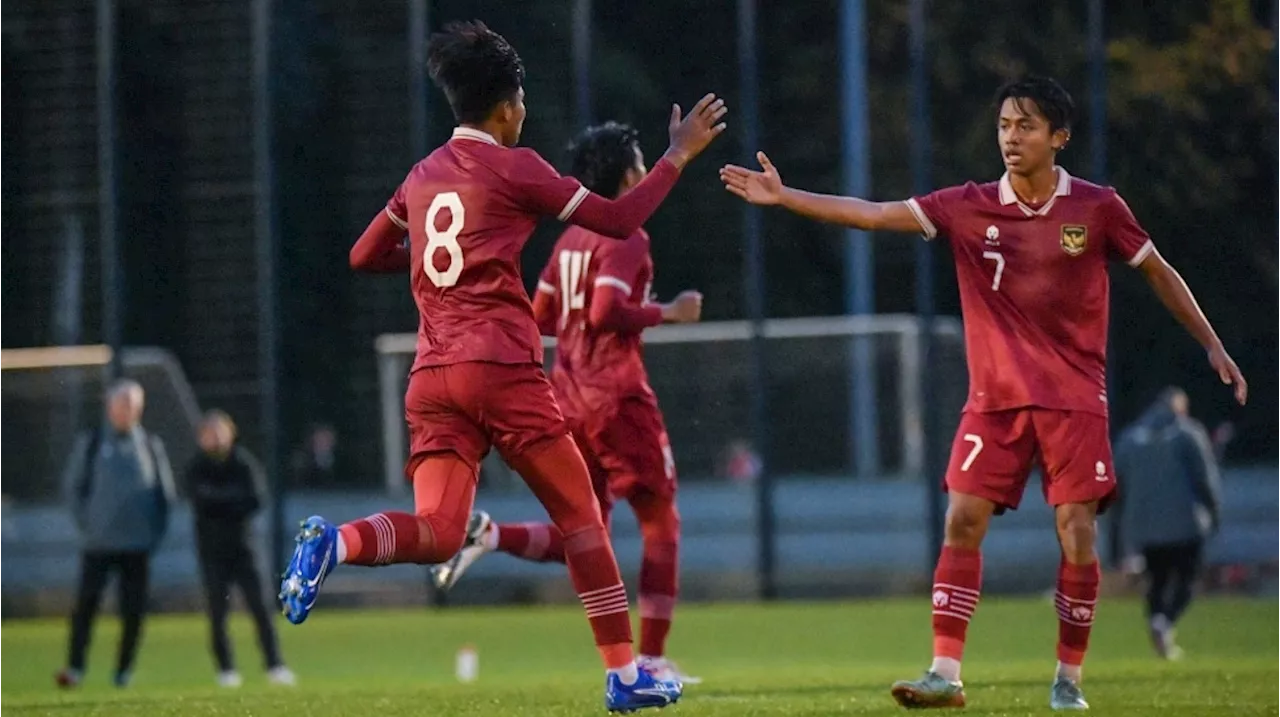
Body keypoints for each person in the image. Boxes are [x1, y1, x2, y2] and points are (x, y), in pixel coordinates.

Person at [720, 75, 1247, 711]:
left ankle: (1068, 679)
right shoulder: (965, 205)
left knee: (1076, 532)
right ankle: (945, 672)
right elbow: (873, 214)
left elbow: (1159, 273)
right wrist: (787, 198)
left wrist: (1212, 343)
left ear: (1060, 136)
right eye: (1004, 126)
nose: (1011, 138)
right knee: (961, 519)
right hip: (993, 400)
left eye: (1026, 126)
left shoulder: (1098, 207)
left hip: (1073, 398)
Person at [276, 20, 726, 713]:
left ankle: (337, 541)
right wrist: (676, 156)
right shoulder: (519, 168)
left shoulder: (421, 176)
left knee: (438, 532)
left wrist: (432, 266)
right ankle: (626, 673)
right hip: (501, 367)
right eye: (523, 102)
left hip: (433, 376)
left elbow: (363, 256)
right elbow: (617, 217)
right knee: (583, 515)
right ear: (508, 106)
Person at [428, 122, 704, 684]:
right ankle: (650, 658)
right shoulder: (627, 236)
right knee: (661, 524)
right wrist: (668, 312)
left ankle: (490, 535)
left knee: (586, 531)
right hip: (617, 397)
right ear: (630, 173)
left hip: (569, 400)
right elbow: (605, 311)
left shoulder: (571, 238)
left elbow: (543, 316)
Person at [56, 379, 177, 689]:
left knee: (134, 612)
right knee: (86, 608)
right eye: (122, 403)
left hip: (137, 546)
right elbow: (73, 489)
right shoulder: (93, 442)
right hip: (98, 545)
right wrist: (88, 526)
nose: (127, 410)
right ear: (110, 407)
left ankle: (123, 670)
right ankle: (75, 667)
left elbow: (166, 495)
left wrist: (154, 533)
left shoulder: (150, 444)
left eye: (133, 405)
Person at [186, 410, 296, 687]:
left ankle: (275, 665)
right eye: (209, 433)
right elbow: (200, 501)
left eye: (220, 431)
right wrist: (229, 502)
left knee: (261, 608)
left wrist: (220, 502)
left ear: (231, 433)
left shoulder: (243, 464)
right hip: (212, 552)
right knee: (218, 612)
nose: (216, 438)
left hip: (245, 549)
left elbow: (255, 499)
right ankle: (226, 669)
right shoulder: (196, 468)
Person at [1114, 387, 1221, 661]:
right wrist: (1213, 512)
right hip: (1185, 523)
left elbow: (1116, 490)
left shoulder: (1129, 439)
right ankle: (1165, 622)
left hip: (1145, 528)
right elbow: (1204, 478)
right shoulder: (1188, 434)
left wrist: (1121, 535)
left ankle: (1159, 623)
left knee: (1157, 581)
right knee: (1187, 579)